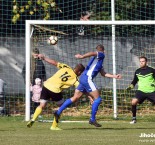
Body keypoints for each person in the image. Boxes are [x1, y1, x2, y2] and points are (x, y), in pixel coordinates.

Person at [53, 44, 122, 129]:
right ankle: (92, 119)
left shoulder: (98, 62)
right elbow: (93, 53)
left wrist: (114, 76)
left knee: (75, 98)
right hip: (87, 79)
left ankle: (58, 112)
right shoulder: (101, 54)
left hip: (82, 79)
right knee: (98, 99)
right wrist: (82, 56)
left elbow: (103, 74)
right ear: (104, 51)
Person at [27, 54, 85, 130]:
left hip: (46, 85)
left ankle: (33, 119)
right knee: (61, 107)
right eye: (81, 73)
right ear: (79, 72)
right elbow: (79, 89)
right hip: (55, 90)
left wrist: (44, 58)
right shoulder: (75, 79)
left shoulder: (66, 67)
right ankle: (54, 126)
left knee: (42, 105)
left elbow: (55, 63)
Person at [126, 56, 155, 124]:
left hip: (151, 91)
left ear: (146, 62)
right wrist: (131, 86)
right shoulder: (137, 71)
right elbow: (134, 81)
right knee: (133, 102)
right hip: (141, 91)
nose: (141, 63)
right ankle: (134, 119)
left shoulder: (152, 70)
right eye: (140, 61)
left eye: (143, 61)